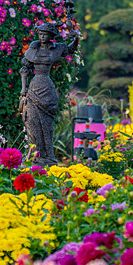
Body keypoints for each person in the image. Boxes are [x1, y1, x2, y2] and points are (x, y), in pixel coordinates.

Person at [19, 22, 79, 164]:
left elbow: (71, 49)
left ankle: (48, 155)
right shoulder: (33, 50)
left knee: (47, 124)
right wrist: (23, 89)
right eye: (40, 34)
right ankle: (35, 154)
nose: (42, 37)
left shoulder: (56, 49)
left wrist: (76, 37)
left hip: (47, 88)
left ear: (51, 36)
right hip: (34, 88)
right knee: (31, 120)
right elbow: (24, 70)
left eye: (45, 34)